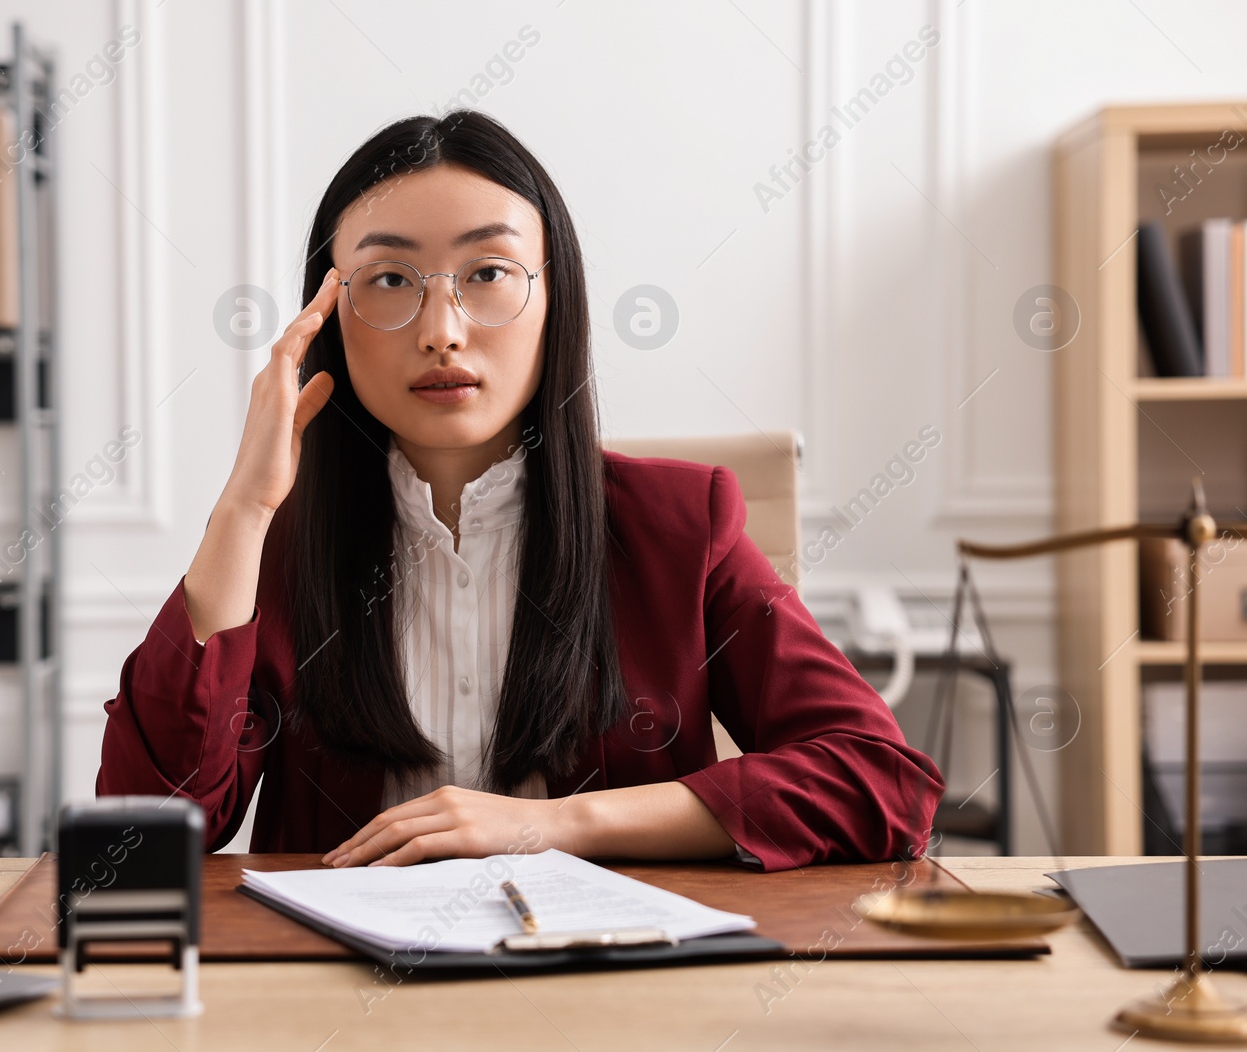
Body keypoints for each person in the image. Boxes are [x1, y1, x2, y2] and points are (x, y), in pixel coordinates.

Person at [98, 110, 943, 871]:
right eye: (390, 280)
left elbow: (881, 779)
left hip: (610, 997)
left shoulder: (684, 528)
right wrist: (243, 508)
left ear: (555, 300)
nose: (442, 331)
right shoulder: (272, 553)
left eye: (488, 273)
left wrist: (561, 825)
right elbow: (143, 830)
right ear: (326, 317)